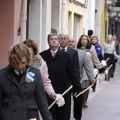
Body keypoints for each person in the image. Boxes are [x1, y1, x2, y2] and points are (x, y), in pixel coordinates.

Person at [0, 44, 53, 120]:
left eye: (23, 63)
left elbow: (42, 102)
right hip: (9, 116)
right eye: (17, 63)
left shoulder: (35, 74)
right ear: (12, 61)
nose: (20, 66)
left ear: (28, 60)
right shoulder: (2, 75)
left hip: (29, 116)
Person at [40, 33, 83, 120]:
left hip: (63, 92)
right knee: (48, 115)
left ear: (59, 42)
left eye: (56, 39)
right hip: (47, 92)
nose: (54, 41)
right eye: (51, 39)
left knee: (62, 115)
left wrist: (78, 88)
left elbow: (72, 74)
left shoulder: (66, 56)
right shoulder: (42, 56)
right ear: (48, 42)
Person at [77, 35, 105, 108]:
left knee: (86, 86)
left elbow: (95, 59)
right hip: (79, 70)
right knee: (80, 86)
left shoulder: (91, 48)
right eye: (82, 39)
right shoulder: (77, 48)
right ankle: (80, 100)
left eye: (85, 39)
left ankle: (84, 100)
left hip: (88, 70)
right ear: (80, 40)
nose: (83, 41)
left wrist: (100, 67)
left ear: (88, 40)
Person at [59, 34, 81, 120]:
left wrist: (75, 83)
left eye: (65, 39)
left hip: (69, 83)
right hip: (57, 82)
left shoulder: (73, 52)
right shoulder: (55, 51)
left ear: (68, 41)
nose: (63, 40)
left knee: (67, 104)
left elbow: (76, 68)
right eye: (61, 39)